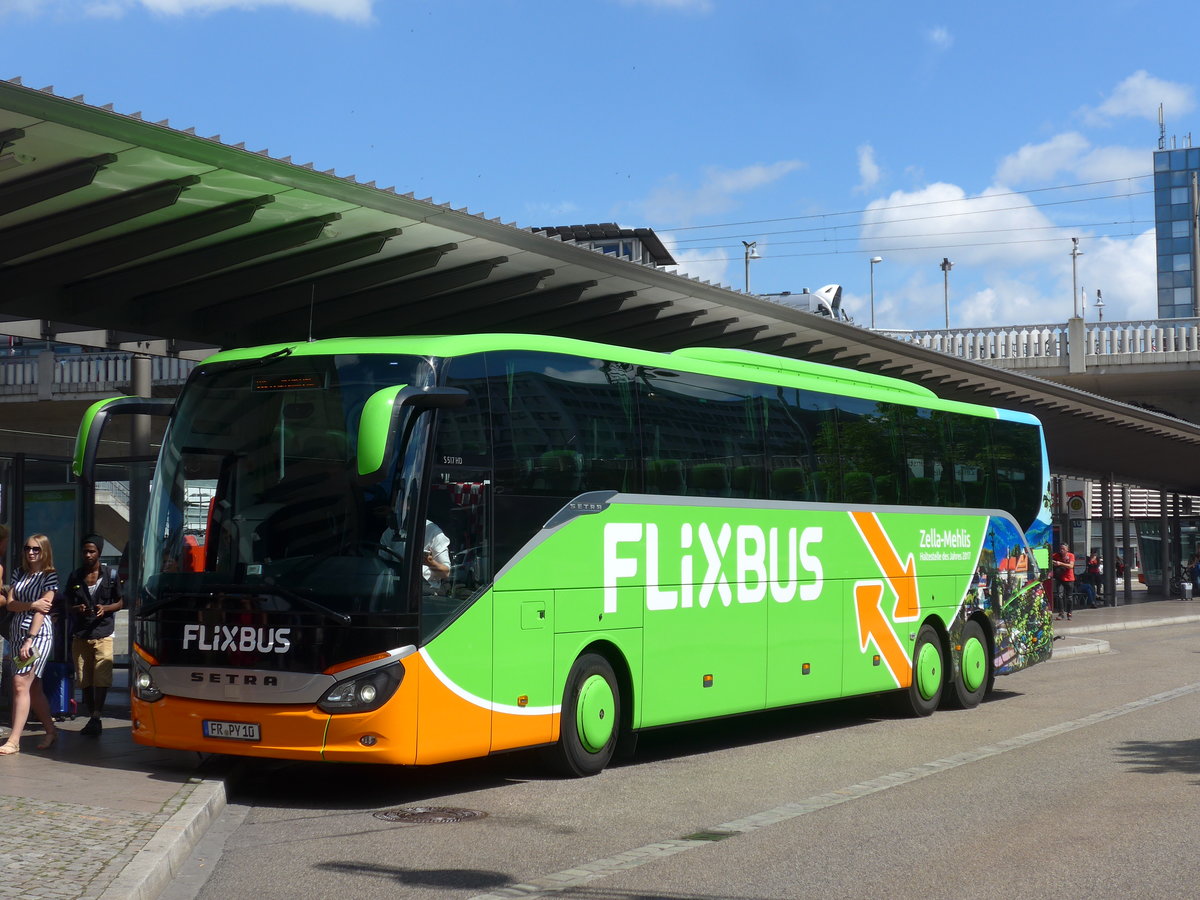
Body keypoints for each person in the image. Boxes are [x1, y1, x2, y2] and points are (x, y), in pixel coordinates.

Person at [0, 533, 59, 754]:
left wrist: (30, 639)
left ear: (44, 551)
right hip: (16, 633)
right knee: (33, 688)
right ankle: (51, 731)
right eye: (27, 548)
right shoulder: (19, 573)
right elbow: (11, 605)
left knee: (19, 683)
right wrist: (32, 603)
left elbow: (42, 612)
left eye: (36, 549)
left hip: (37, 636)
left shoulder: (50, 576)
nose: (31, 552)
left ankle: (14, 740)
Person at [62, 534, 124, 736]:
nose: (88, 555)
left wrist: (105, 608)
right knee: (84, 679)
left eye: (92, 551)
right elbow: (66, 603)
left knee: (102, 677)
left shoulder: (110, 575)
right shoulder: (75, 576)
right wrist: (76, 608)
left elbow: (120, 602)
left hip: (103, 632)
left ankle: (96, 715)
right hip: (81, 634)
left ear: (99, 552)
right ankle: (91, 716)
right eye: (85, 551)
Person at [1051, 543, 1076, 621]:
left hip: (1069, 579)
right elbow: (1049, 560)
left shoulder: (1071, 556)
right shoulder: (1056, 555)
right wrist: (1054, 563)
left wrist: (1060, 563)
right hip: (1060, 578)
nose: (1061, 551)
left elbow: (1071, 566)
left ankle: (1069, 613)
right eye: (1061, 549)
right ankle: (1061, 613)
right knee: (1059, 596)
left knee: (1069, 597)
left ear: (1067, 550)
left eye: (1063, 549)